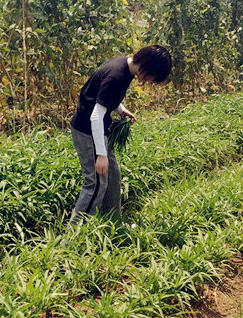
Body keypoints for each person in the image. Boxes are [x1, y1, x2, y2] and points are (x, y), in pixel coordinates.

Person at [69, 45, 173, 225]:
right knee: (95, 184)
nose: (147, 81)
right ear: (147, 66)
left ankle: (113, 222)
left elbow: (103, 97)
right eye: (150, 77)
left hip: (99, 131)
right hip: (88, 132)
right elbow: (96, 116)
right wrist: (101, 155)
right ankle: (73, 237)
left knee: (113, 176)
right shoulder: (116, 75)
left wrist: (121, 110)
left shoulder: (125, 67)